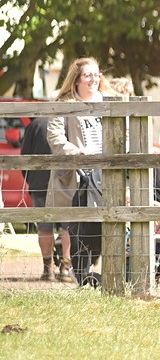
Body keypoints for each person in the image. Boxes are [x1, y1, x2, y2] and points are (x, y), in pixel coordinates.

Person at [46, 57, 106, 284]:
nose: (93, 79)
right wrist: (76, 153)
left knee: (105, 226)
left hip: (106, 174)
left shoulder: (108, 102)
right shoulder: (64, 103)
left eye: (96, 74)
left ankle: (105, 275)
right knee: (79, 228)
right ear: (77, 79)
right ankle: (80, 275)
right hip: (79, 176)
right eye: (88, 75)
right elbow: (55, 137)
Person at [19, 116, 69, 281]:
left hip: (39, 181)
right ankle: (66, 268)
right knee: (68, 226)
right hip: (64, 180)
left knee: (44, 227)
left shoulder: (35, 124)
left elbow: (24, 155)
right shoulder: (67, 120)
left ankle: (48, 269)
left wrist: (31, 179)